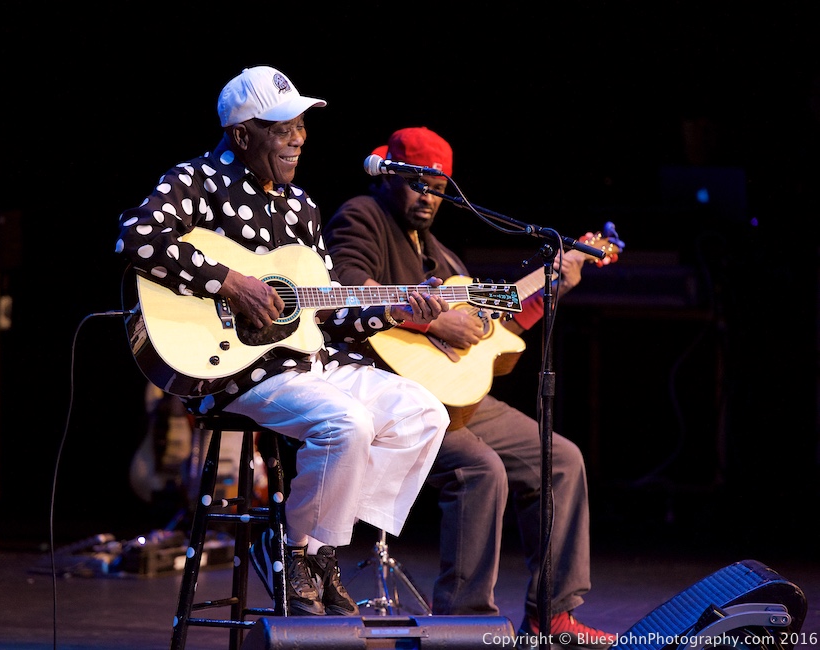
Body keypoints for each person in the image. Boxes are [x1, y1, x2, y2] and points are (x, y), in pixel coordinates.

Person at [114, 69, 451, 617]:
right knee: (348, 425)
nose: (299, 137)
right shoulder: (194, 182)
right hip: (236, 370)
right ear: (243, 134)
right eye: (283, 128)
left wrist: (391, 309)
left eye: (301, 126)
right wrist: (230, 282)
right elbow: (136, 237)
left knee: (423, 415)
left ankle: (310, 552)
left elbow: (328, 314)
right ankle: (297, 550)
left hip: (309, 361)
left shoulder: (302, 207)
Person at [323, 126, 618, 648]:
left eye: (438, 187)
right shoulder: (362, 217)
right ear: (390, 176)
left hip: (453, 398)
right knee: (480, 468)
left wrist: (554, 286)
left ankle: (553, 615)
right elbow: (347, 288)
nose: (427, 196)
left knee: (561, 458)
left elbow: (491, 336)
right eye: (416, 183)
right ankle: (462, 624)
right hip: (385, 390)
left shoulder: (445, 257)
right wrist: (433, 323)